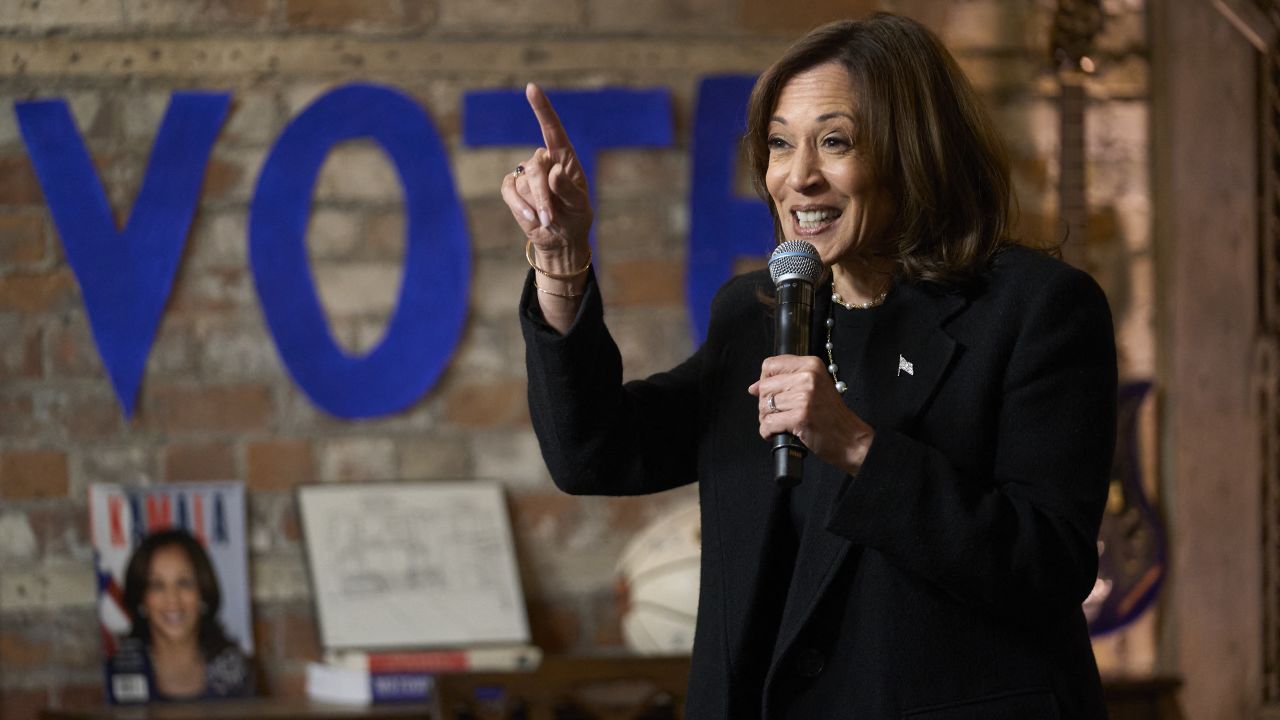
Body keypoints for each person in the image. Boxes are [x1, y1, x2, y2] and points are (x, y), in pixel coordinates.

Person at [503, 12, 1116, 720]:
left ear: (916, 151)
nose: (799, 178)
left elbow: (1048, 565)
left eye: (835, 142)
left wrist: (858, 447)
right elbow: (597, 454)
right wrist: (561, 263)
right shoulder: (755, 315)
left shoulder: (1034, 310)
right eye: (779, 145)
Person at [120, 528, 254, 701]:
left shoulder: (235, 670)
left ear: (202, 592)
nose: (173, 600)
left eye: (183, 583)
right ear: (142, 599)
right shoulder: (121, 669)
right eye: (157, 586)